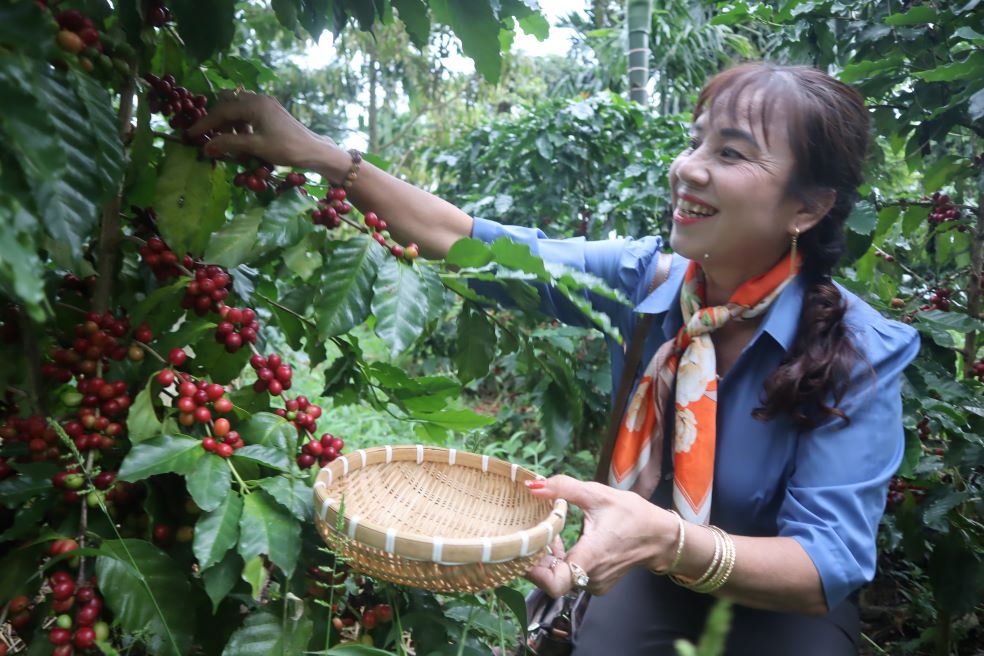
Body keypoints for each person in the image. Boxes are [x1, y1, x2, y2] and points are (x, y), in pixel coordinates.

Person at [190, 62, 920, 655]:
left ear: (807, 208)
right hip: (647, 578)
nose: (687, 169)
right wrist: (325, 156)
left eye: (729, 153)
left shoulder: (860, 350)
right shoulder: (649, 285)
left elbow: (827, 565)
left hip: (778, 614)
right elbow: (464, 238)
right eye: (695, 142)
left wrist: (666, 537)